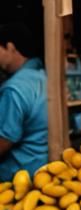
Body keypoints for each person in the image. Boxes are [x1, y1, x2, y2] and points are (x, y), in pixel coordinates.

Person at [0, 23, 48, 179]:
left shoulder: (14, 89)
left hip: (19, 175)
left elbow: (4, 141)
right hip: (45, 169)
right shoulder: (44, 76)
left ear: (10, 47)